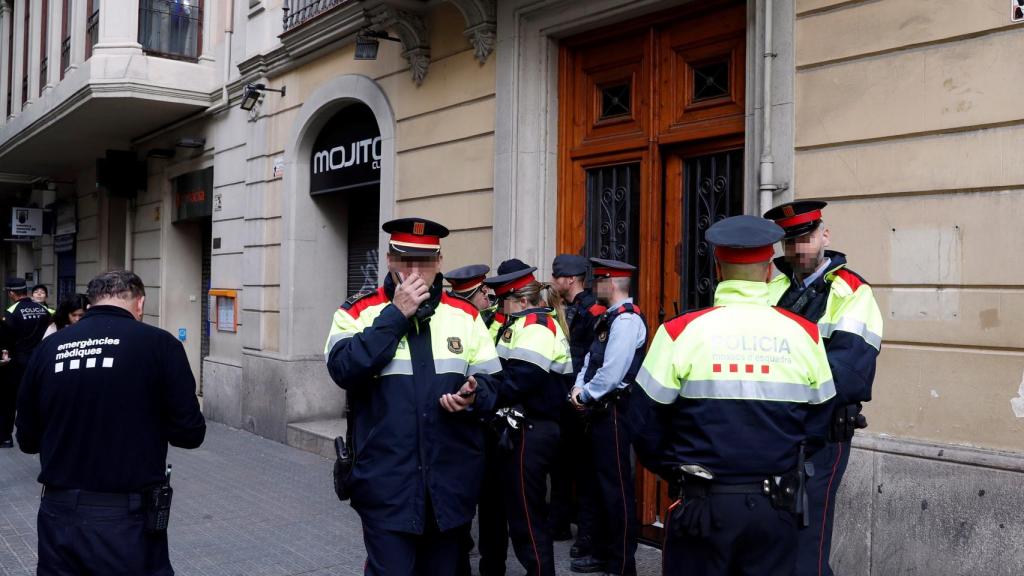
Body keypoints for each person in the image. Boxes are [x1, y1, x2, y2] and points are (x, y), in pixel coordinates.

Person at [631, 215, 836, 575]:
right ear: (770, 272)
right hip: (775, 509)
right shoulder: (806, 335)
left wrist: (679, 471)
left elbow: (643, 424)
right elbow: (820, 426)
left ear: (718, 269)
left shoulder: (679, 333)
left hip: (701, 508)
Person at [324, 218, 503, 575]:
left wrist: (475, 393)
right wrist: (396, 315)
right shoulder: (358, 312)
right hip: (387, 486)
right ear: (389, 259)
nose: (415, 270)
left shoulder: (466, 315)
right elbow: (342, 369)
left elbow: (494, 383)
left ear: (439, 262)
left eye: (424, 261)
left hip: (449, 487)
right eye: (405, 259)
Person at [15, 270, 206, 575]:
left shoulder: (48, 348)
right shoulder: (159, 345)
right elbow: (190, 433)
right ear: (140, 302)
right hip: (125, 519)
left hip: (58, 515)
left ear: (90, 303)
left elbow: (27, 440)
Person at [763, 201, 883, 576]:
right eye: (790, 243)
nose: (799, 250)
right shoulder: (772, 285)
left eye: (807, 238)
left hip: (820, 434)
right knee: (773, 534)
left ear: (824, 236)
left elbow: (845, 375)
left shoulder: (851, 292)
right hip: (773, 429)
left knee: (807, 540)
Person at [483, 260, 572, 576]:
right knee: (518, 513)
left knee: (526, 519)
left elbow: (520, 380)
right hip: (522, 428)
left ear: (520, 300)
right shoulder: (521, 323)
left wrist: (479, 392)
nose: (498, 306)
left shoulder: (536, 327)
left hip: (531, 431)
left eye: (502, 300)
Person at [568, 258, 645, 576]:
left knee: (616, 491)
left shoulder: (627, 321)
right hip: (598, 412)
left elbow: (612, 372)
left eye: (598, 281)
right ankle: (601, 552)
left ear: (611, 284)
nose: (593, 287)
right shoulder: (608, 319)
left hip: (614, 411)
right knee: (599, 487)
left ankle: (622, 563)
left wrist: (584, 395)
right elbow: (590, 359)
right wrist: (578, 387)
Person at [548, 254, 606, 555]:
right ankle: (558, 521)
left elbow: (596, 357)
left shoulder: (594, 310)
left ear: (570, 279)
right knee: (559, 464)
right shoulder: (556, 309)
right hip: (561, 397)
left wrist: (585, 395)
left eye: (557, 277)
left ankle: (587, 534)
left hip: (582, 399)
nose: (553, 281)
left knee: (585, 470)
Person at [0, 277, 52, 448]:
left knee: (8, 401)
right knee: (38, 400)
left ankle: (6, 438)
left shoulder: (11, 312)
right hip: (42, 362)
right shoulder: (44, 309)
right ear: (27, 291)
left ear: (12, 293)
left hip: (17, 364)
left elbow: (6, 341)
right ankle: (42, 436)